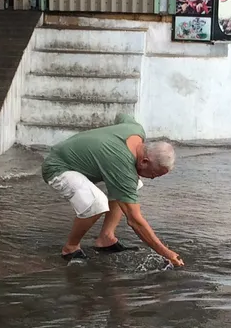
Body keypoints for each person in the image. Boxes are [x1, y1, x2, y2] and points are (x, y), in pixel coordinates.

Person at [42, 114, 184, 267]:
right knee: (96, 203)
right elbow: (135, 220)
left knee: (132, 185)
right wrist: (165, 252)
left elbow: (121, 115)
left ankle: (106, 238)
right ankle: (70, 248)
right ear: (144, 161)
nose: (153, 178)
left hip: (75, 160)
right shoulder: (122, 165)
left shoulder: (135, 130)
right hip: (58, 168)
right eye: (154, 174)